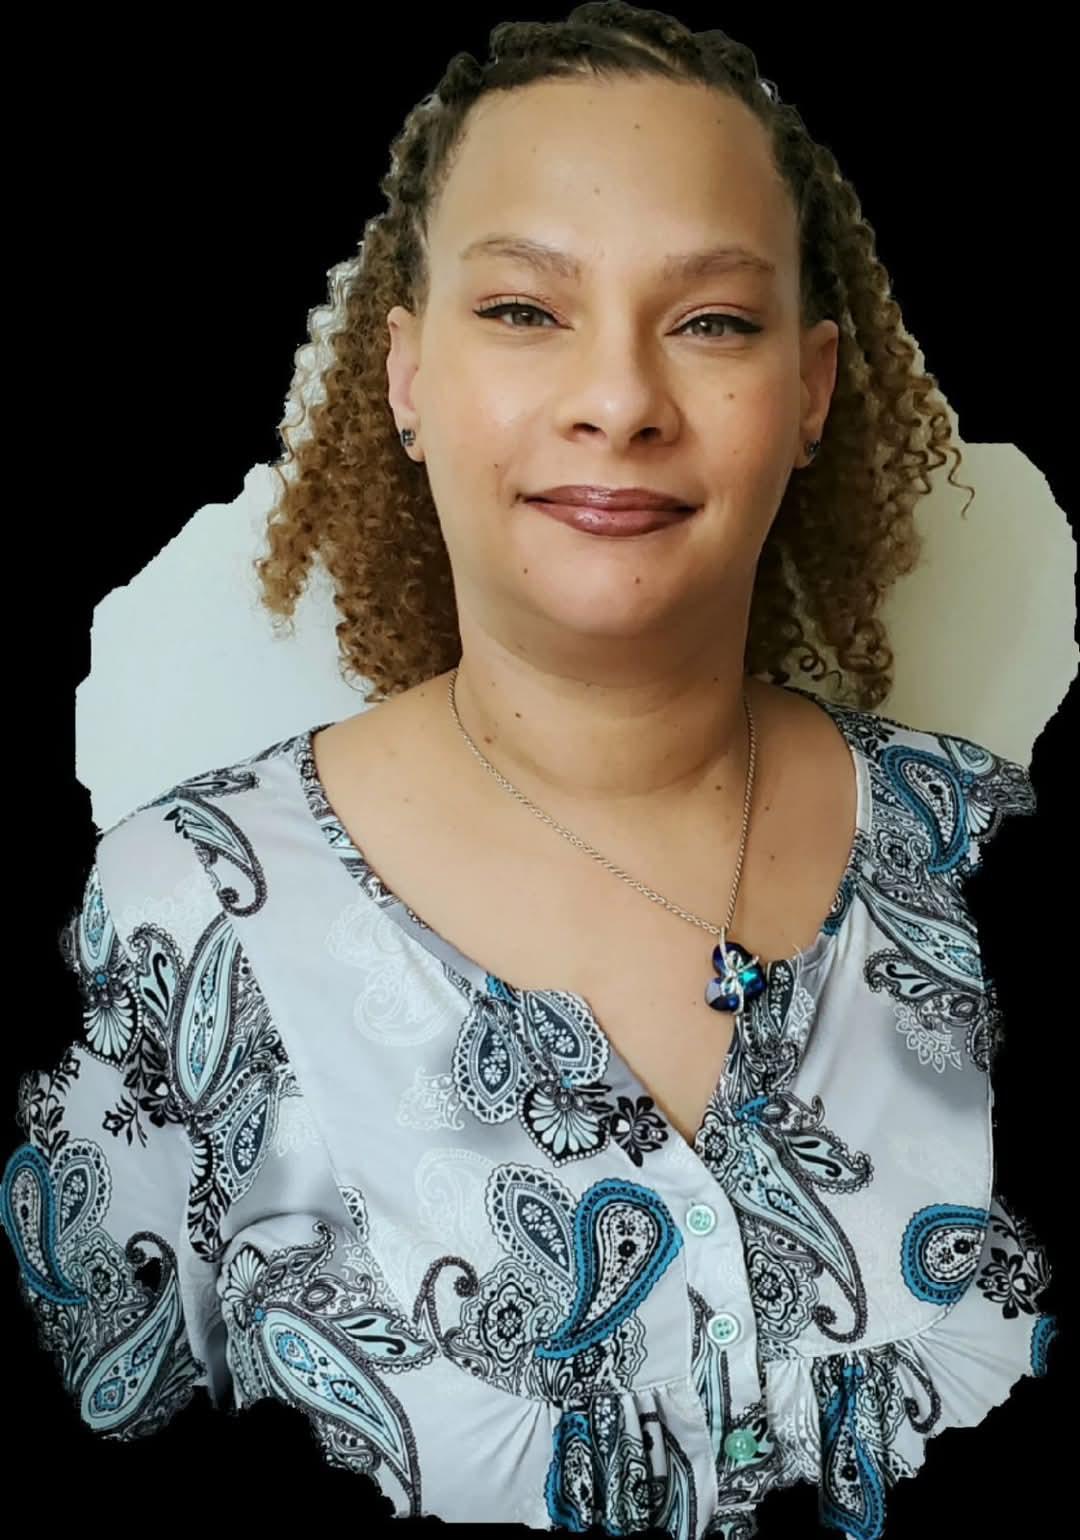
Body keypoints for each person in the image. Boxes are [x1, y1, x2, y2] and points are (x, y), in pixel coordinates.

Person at [1, 5, 1056, 1537]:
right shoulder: (175, 925)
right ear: (406, 374)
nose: (619, 400)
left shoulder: (993, 855)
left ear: (813, 389)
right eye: (522, 309)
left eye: (712, 322)